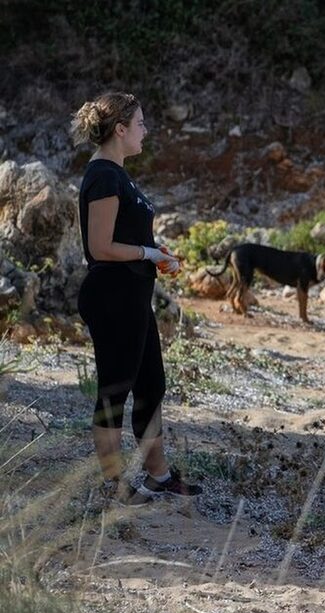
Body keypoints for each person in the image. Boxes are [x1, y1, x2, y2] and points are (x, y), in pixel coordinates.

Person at [71, 92, 200, 505]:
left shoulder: (118, 175)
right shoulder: (104, 176)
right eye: (140, 124)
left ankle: (159, 476)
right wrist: (147, 253)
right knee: (116, 389)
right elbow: (100, 247)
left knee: (151, 385)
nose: (146, 131)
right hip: (113, 295)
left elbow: (125, 236)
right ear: (120, 129)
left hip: (131, 294)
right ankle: (113, 487)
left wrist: (156, 253)